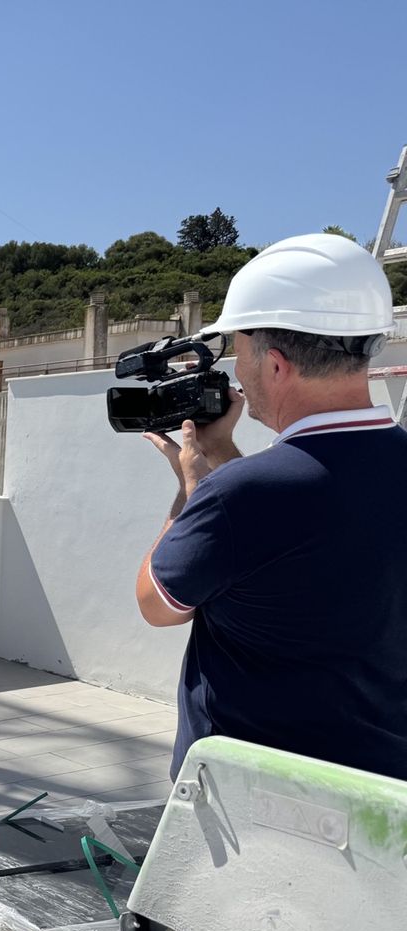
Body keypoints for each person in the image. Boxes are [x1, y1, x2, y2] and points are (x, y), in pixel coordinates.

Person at [136, 233, 407, 780]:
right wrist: (222, 459)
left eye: (238, 353)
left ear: (277, 365)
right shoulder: (249, 490)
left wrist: (191, 491)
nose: (236, 375)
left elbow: (157, 604)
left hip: (260, 805)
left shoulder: (240, 495)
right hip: (386, 790)